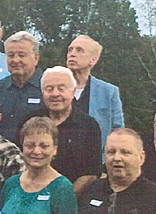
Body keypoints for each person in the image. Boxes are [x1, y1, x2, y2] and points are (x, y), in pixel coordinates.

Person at [18, 66, 101, 194]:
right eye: (49, 89)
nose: (55, 94)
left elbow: (90, 174)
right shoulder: (28, 121)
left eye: (61, 89)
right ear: (42, 92)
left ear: (73, 92)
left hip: (72, 199)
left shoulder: (88, 126)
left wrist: (64, 199)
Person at [66, 35, 124, 152]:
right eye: (70, 50)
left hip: (95, 163)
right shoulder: (54, 89)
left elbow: (117, 132)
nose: (72, 54)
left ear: (93, 60)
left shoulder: (109, 92)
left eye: (79, 50)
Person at [0, 31, 44, 143]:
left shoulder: (48, 89)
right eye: (11, 55)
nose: (15, 60)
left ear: (36, 58)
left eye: (22, 55)